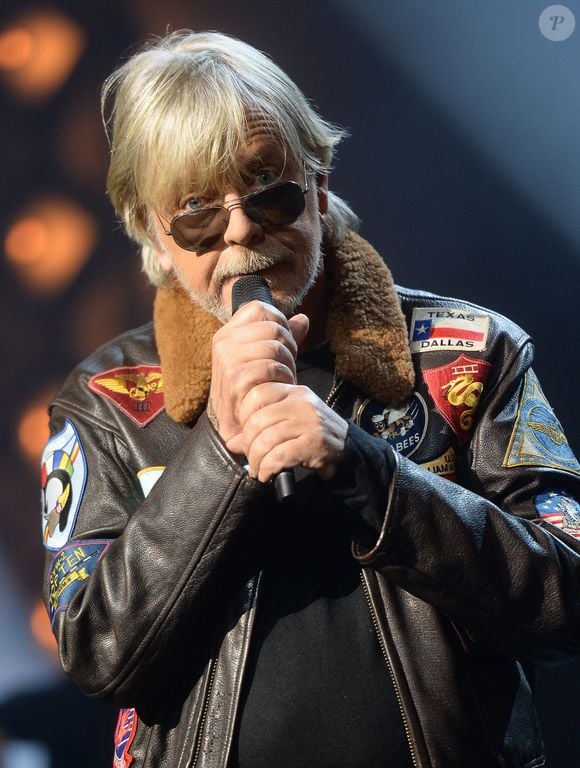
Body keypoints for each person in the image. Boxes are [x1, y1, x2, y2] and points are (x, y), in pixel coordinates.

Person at [40, 30, 580, 768]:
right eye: (196, 208)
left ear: (319, 186)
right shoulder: (106, 402)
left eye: (270, 186)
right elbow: (97, 651)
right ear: (154, 235)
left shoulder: (473, 351)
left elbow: (566, 602)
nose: (240, 229)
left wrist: (366, 469)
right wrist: (222, 451)